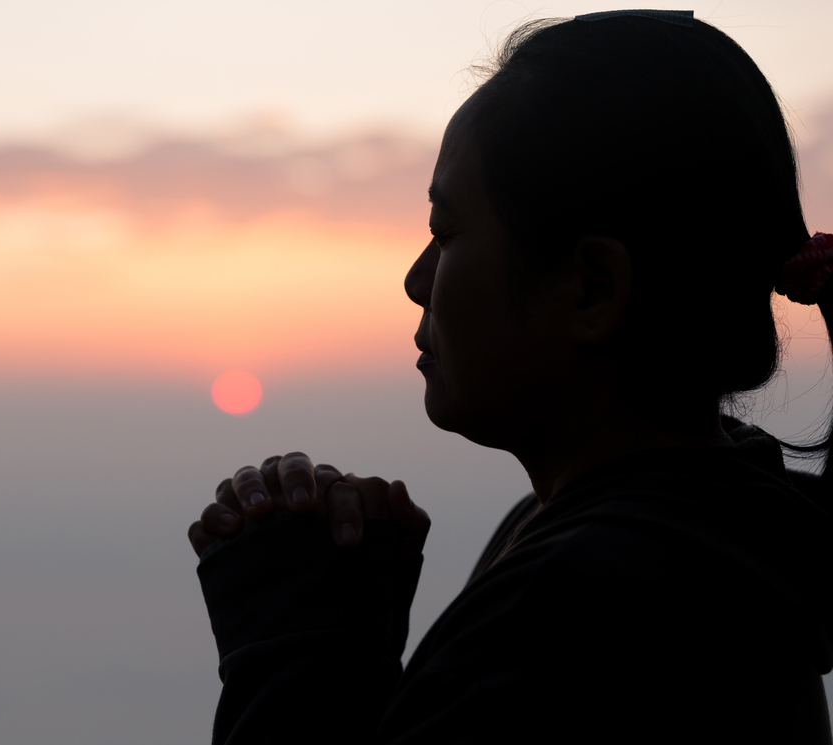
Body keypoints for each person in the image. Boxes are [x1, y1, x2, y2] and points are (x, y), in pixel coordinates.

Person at [186, 10, 833, 743]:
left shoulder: (585, 617)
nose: (415, 279)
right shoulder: (716, 528)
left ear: (591, 288)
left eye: (447, 231)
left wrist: (294, 644)